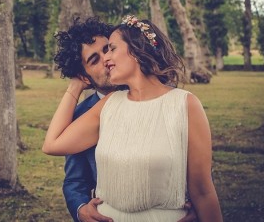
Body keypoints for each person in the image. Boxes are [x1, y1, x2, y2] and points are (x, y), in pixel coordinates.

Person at [44, 15, 222, 221]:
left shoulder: (182, 104)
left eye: (110, 49)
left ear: (136, 50)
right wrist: (75, 85)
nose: (106, 59)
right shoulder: (102, 108)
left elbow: (202, 189)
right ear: (85, 76)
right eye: (95, 59)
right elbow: (56, 151)